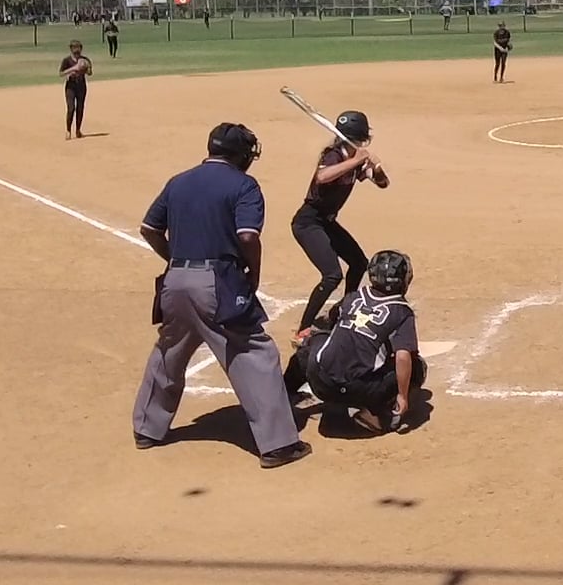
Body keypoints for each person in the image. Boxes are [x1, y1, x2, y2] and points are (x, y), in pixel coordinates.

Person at [131, 123, 310, 469]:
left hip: (175, 281)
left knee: (169, 350)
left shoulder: (179, 181)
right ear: (241, 154)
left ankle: (147, 429)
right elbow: (247, 236)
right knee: (253, 351)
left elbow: (149, 228)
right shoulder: (243, 185)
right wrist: (253, 271)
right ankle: (278, 445)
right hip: (217, 282)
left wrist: (174, 258)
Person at [284, 250, 425, 434]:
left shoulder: (353, 297)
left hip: (320, 381)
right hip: (356, 391)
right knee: (416, 367)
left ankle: (283, 394)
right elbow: (403, 357)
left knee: (313, 342)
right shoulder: (402, 312)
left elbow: (331, 319)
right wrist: (403, 396)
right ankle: (374, 414)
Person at [292, 111, 389, 344]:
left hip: (327, 222)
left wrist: (376, 167)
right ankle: (303, 329)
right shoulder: (334, 155)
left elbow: (383, 183)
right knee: (332, 275)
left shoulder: (355, 158)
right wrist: (355, 161)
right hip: (308, 222)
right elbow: (322, 176)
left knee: (359, 263)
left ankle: (345, 310)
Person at [59, 40, 93, 140]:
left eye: (79, 48)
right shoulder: (66, 60)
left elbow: (90, 73)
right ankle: (68, 130)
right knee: (71, 108)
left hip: (81, 86)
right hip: (70, 86)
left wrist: (85, 68)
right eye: (75, 48)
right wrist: (73, 69)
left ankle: (78, 130)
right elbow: (61, 73)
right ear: (71, 49)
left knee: (80, 108)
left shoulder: (85, 59)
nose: (77, 50)